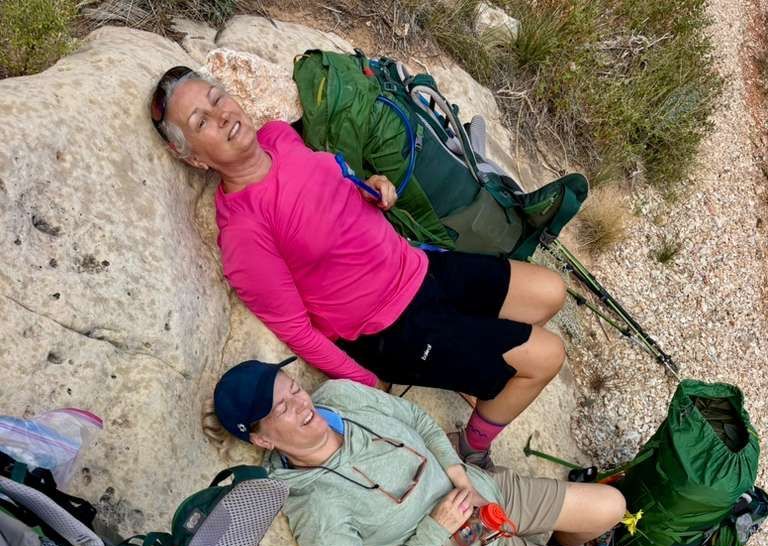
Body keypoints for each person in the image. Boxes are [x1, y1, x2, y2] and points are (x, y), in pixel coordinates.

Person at [150, 66, 569, 469]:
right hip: (392, 328)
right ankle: (472, 448)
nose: (222, 116)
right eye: (201, 121)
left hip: (417, 266)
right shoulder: (244, 231)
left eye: (217, 98)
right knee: (547, 355)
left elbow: (337, 187)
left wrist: (374, 187)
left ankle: (471, 373)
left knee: (551, 292)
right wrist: (368, 385)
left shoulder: (278, 137)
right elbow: (295, 329)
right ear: (194, 159)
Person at [206, 359, 630, 546]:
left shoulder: (340, 398)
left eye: (294, 389)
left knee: (611, 505)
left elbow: (417, 419)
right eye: (281, 409)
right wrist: (433, 531)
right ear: (261, 438)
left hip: (486, 492)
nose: (301, 405)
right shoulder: (314, 506)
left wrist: (461, 475)